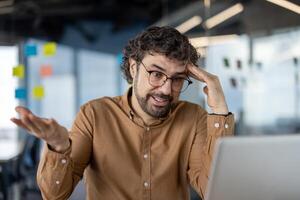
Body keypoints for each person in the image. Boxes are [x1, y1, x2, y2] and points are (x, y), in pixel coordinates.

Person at [11, 26, 234, 200]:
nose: (166, 89)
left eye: (177, 79)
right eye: (156, 74)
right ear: (134, 68)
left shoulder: (193, 117)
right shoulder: (94, 114)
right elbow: (54, 194)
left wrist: (220, 111)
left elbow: (214, 192)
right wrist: (58, 148)